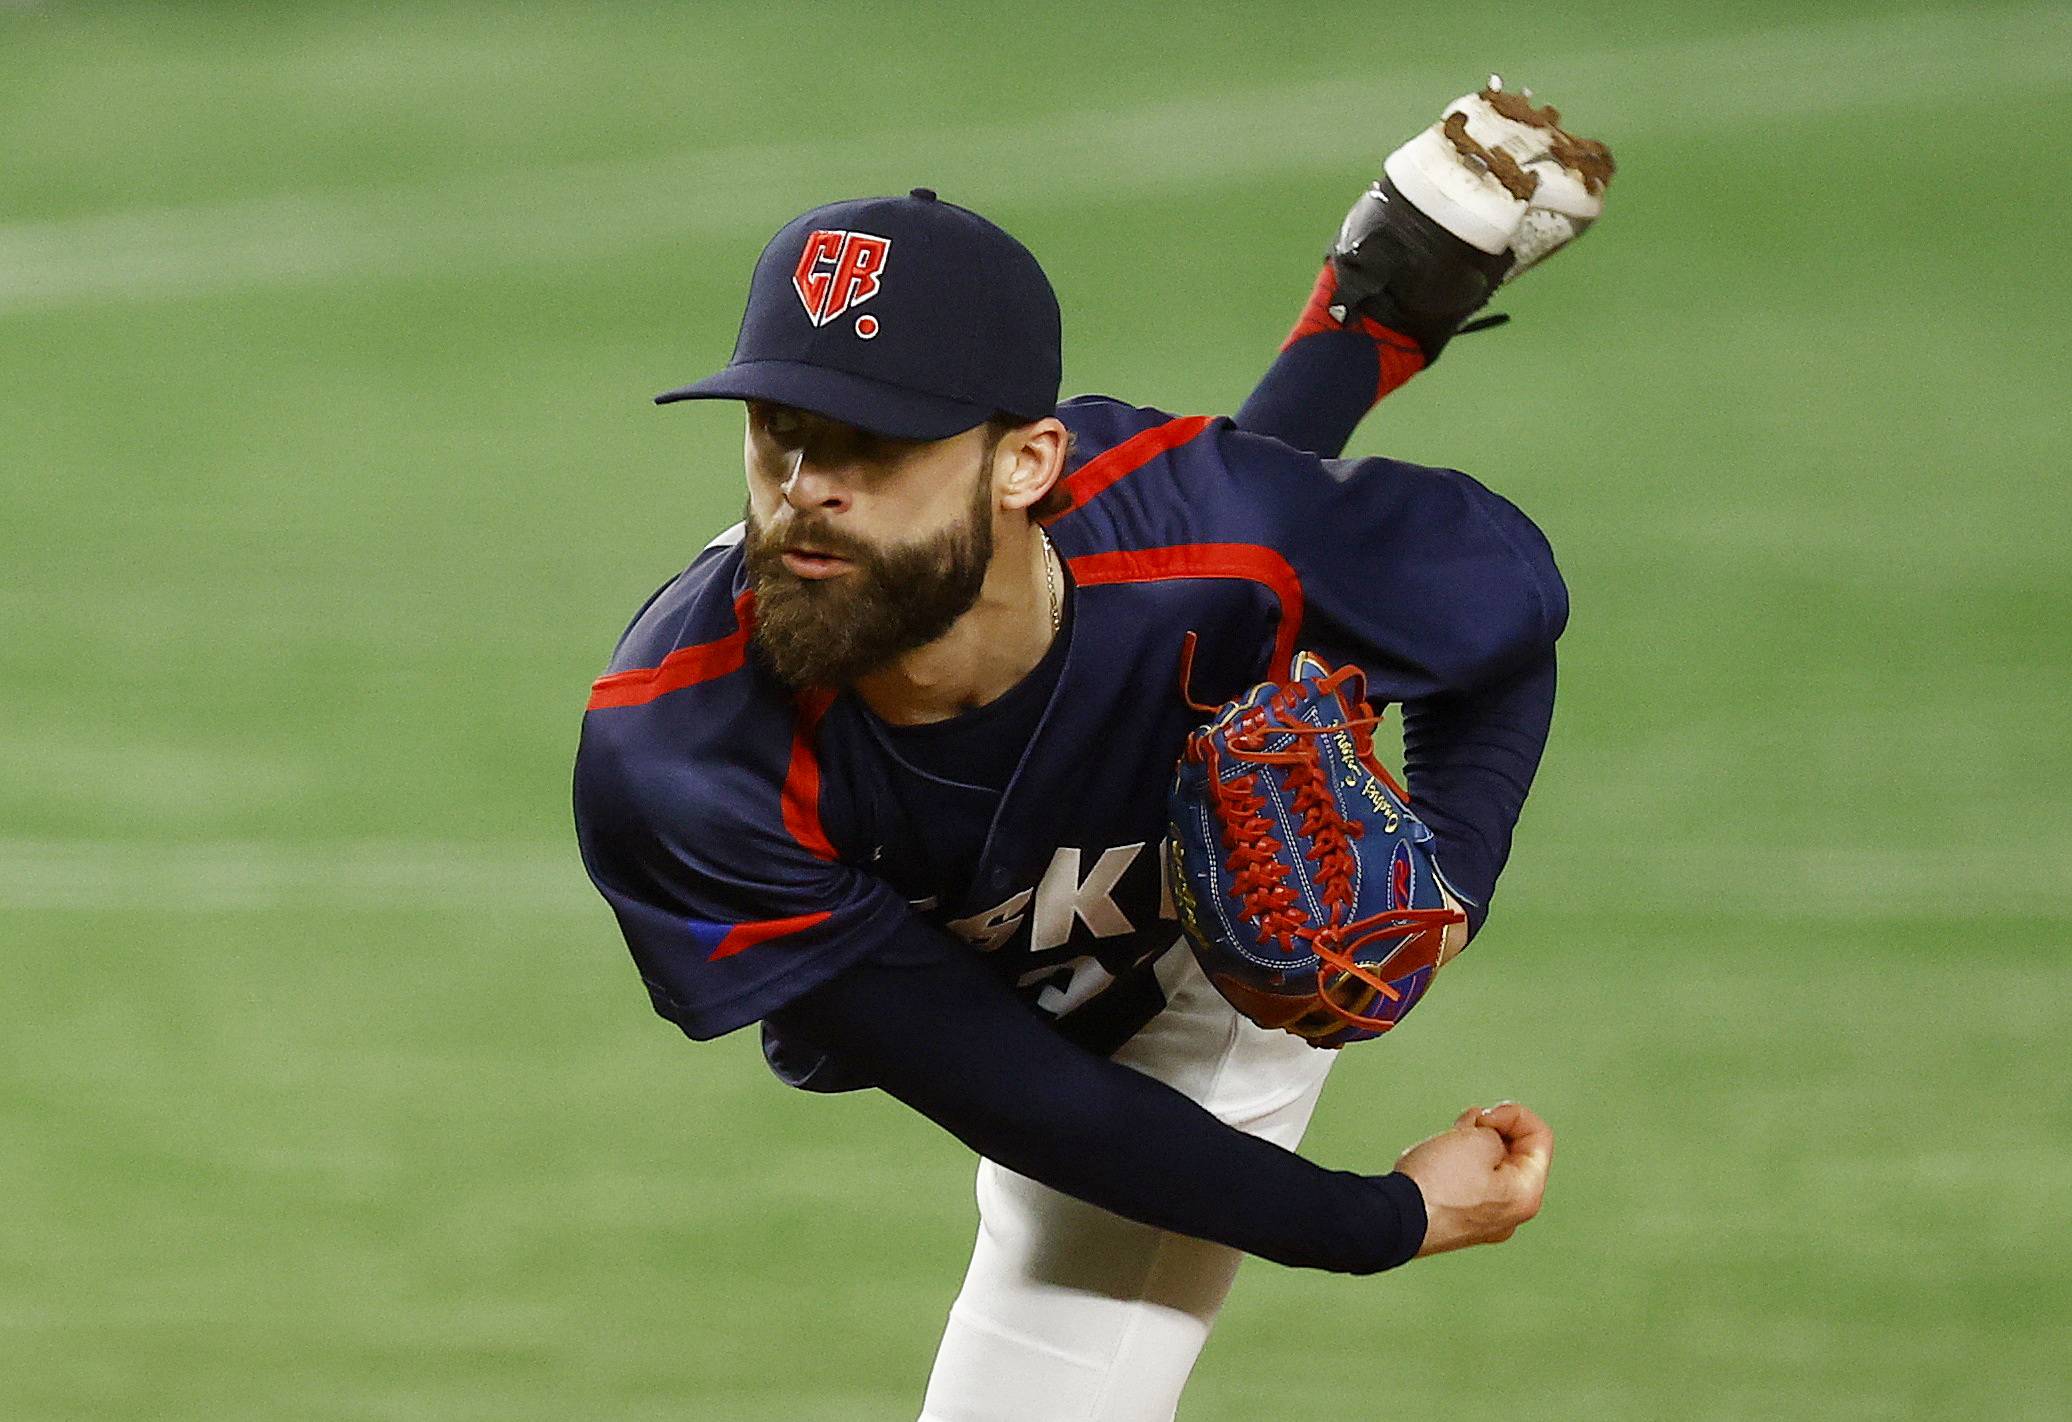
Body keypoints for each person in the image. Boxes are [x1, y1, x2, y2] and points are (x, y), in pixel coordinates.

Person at [575, 81, 1604, 1422]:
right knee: (1160, 598)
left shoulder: (1223, 537)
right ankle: (1376, 300)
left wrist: (1450, 891)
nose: (808, 489)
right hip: (989, 950)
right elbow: (1030, 1097)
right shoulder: (681, 748)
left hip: (1198, 947)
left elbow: (1506, 627)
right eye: (781, 432)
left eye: (875, 445)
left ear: (1025, 461)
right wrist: (1384, 1216)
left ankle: (1374, 308)